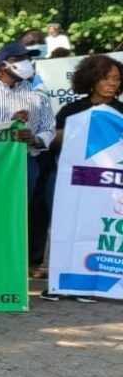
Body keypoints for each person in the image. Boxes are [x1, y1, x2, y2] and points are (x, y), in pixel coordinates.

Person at [0, 42, 57, 272]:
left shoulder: (37, 95)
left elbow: (49, 128)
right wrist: (9, 125)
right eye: (20, 60)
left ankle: (13, 265)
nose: (26, 64)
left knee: (20, 214)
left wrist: (35, 139)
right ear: (3, 65)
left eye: (28, 59)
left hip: (26, 163)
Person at [42, 54, 123, 302]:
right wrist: (76, 131)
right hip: (71, 182)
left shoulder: (120, 113)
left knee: (94, 232)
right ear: (91, 80)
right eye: (105, 78)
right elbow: (53, 141)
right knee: (64, 229)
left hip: (105, 185)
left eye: (117, 79)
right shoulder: (73, 110)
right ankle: (58, 283)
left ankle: (88, 284)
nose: (112, 84)